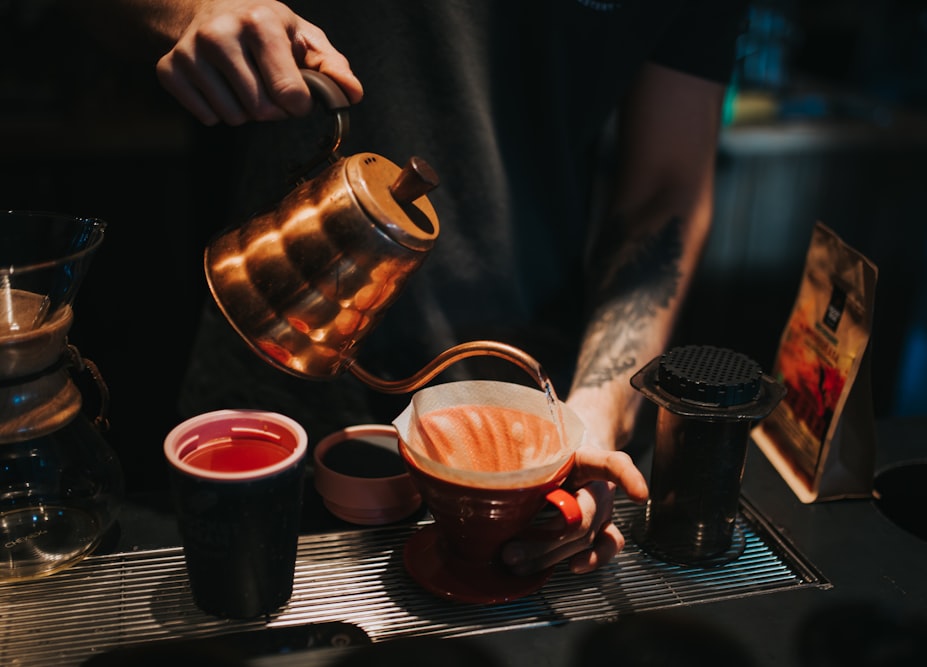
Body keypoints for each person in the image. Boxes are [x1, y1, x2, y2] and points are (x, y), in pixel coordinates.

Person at [91, 0, 748, 577]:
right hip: (268, 373)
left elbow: (667, 187)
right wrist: (194, 9)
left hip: (523, 418)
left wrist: (597, 411)